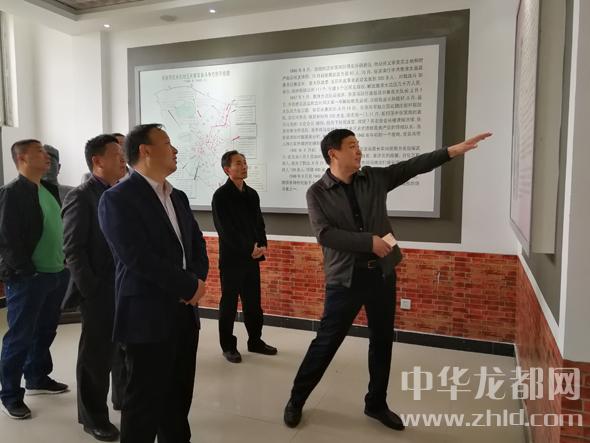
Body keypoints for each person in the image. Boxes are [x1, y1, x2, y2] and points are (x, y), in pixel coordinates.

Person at [283, 129, 492, 430]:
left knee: (381, 341)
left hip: (381, 274)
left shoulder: (374, 178)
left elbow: (411, 166)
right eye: (352, 146)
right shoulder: (317, 192)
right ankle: (296, 399)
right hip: (345, 280)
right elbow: (325, 234)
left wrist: (451, 151)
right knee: (326, 342)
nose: (359, 150)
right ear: (333, 153)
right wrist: (369, 242)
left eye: (358, 145)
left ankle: (376, 403)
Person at [98, 123, 209, 443]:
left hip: (184, 315)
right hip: (146, 316)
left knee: (178, 399)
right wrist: (187, 286)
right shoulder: (117, 198)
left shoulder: (178, 196)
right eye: (167, 143)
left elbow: (196, 244)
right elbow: (136, 257)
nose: (175, 150)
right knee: (143, 404)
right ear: (145, 151)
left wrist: (197, 280)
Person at [62, 134, 127, 441]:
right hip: (99, 292)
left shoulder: (116, 192)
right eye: (116, 154)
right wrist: (92, 291)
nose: (123, 159)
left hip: (121, 287)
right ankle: (93, 418)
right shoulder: (81, 196)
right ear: (97, 161)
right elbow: (73, 250)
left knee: (118, 352)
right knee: (95, 357)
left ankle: (121, 399)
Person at [0, 140, 70, 420]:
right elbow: (8, 240)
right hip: (29, 278)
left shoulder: (48, 190)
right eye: (39, 152)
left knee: (45, 330)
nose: (47, 156)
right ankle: (10, 395)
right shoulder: (11, 192)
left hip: (56, 273)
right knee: (19, 337)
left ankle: (37, 377)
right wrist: (28, 272)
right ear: (22, 158)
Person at [211, 151, 277, 363]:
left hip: (252, 259)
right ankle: (228, 346)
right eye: (238, 163)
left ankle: (255, 341)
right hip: (232, 260)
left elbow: (259, 223)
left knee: (254, 304)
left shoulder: (252, 194)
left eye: (245, 162)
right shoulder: (221, 196)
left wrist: (262, 244)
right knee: (229, 305)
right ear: (227, 169)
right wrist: (249, 248)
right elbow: (225, 230)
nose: (244, 166)